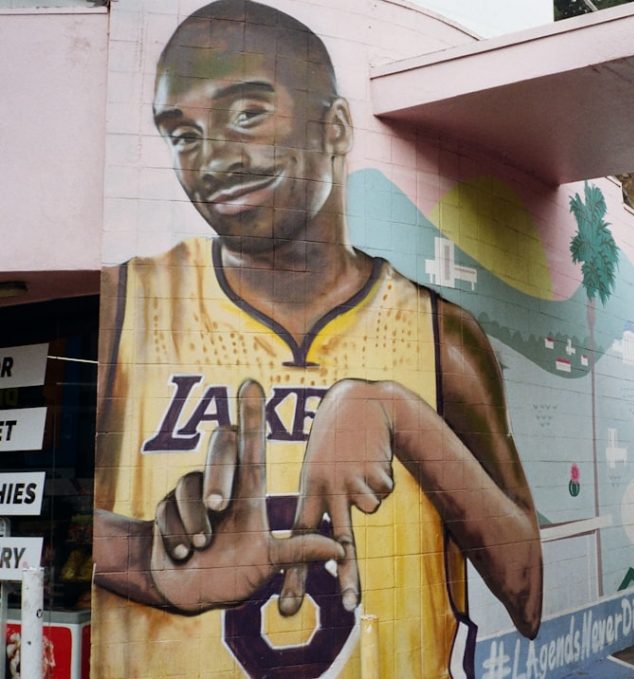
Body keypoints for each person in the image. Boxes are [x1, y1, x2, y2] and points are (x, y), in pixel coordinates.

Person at [92, 1, 542, 676]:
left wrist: (397, 412)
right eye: (183, 134)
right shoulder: (127, 304)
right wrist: (149, 563)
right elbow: (46, 520)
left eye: (247, 114)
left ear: (335, 127)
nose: (211, 160)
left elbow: (528, 590)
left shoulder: (439, 334)